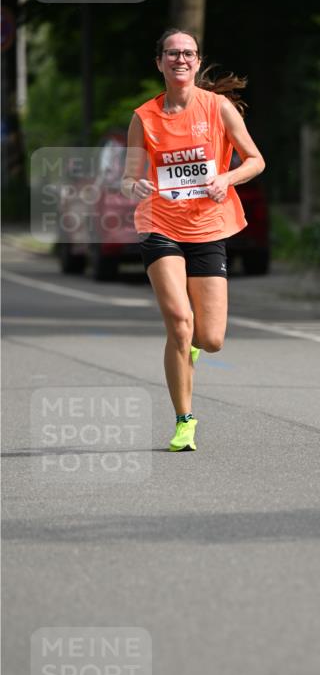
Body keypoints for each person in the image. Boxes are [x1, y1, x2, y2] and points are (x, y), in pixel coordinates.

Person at [121, 28, 265, 451]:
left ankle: (193, 348)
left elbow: (256, 160)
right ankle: (185, 421)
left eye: (188, 53)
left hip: (209, 227)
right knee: (180, 324)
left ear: (198, 62)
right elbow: (130, 177)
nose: (180, 59)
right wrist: (135, 187)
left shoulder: (218, 108)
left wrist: (227, 177)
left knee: (211, 339)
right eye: (172, 53)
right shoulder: (144, 117)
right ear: (160, 62)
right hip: (160, 224)